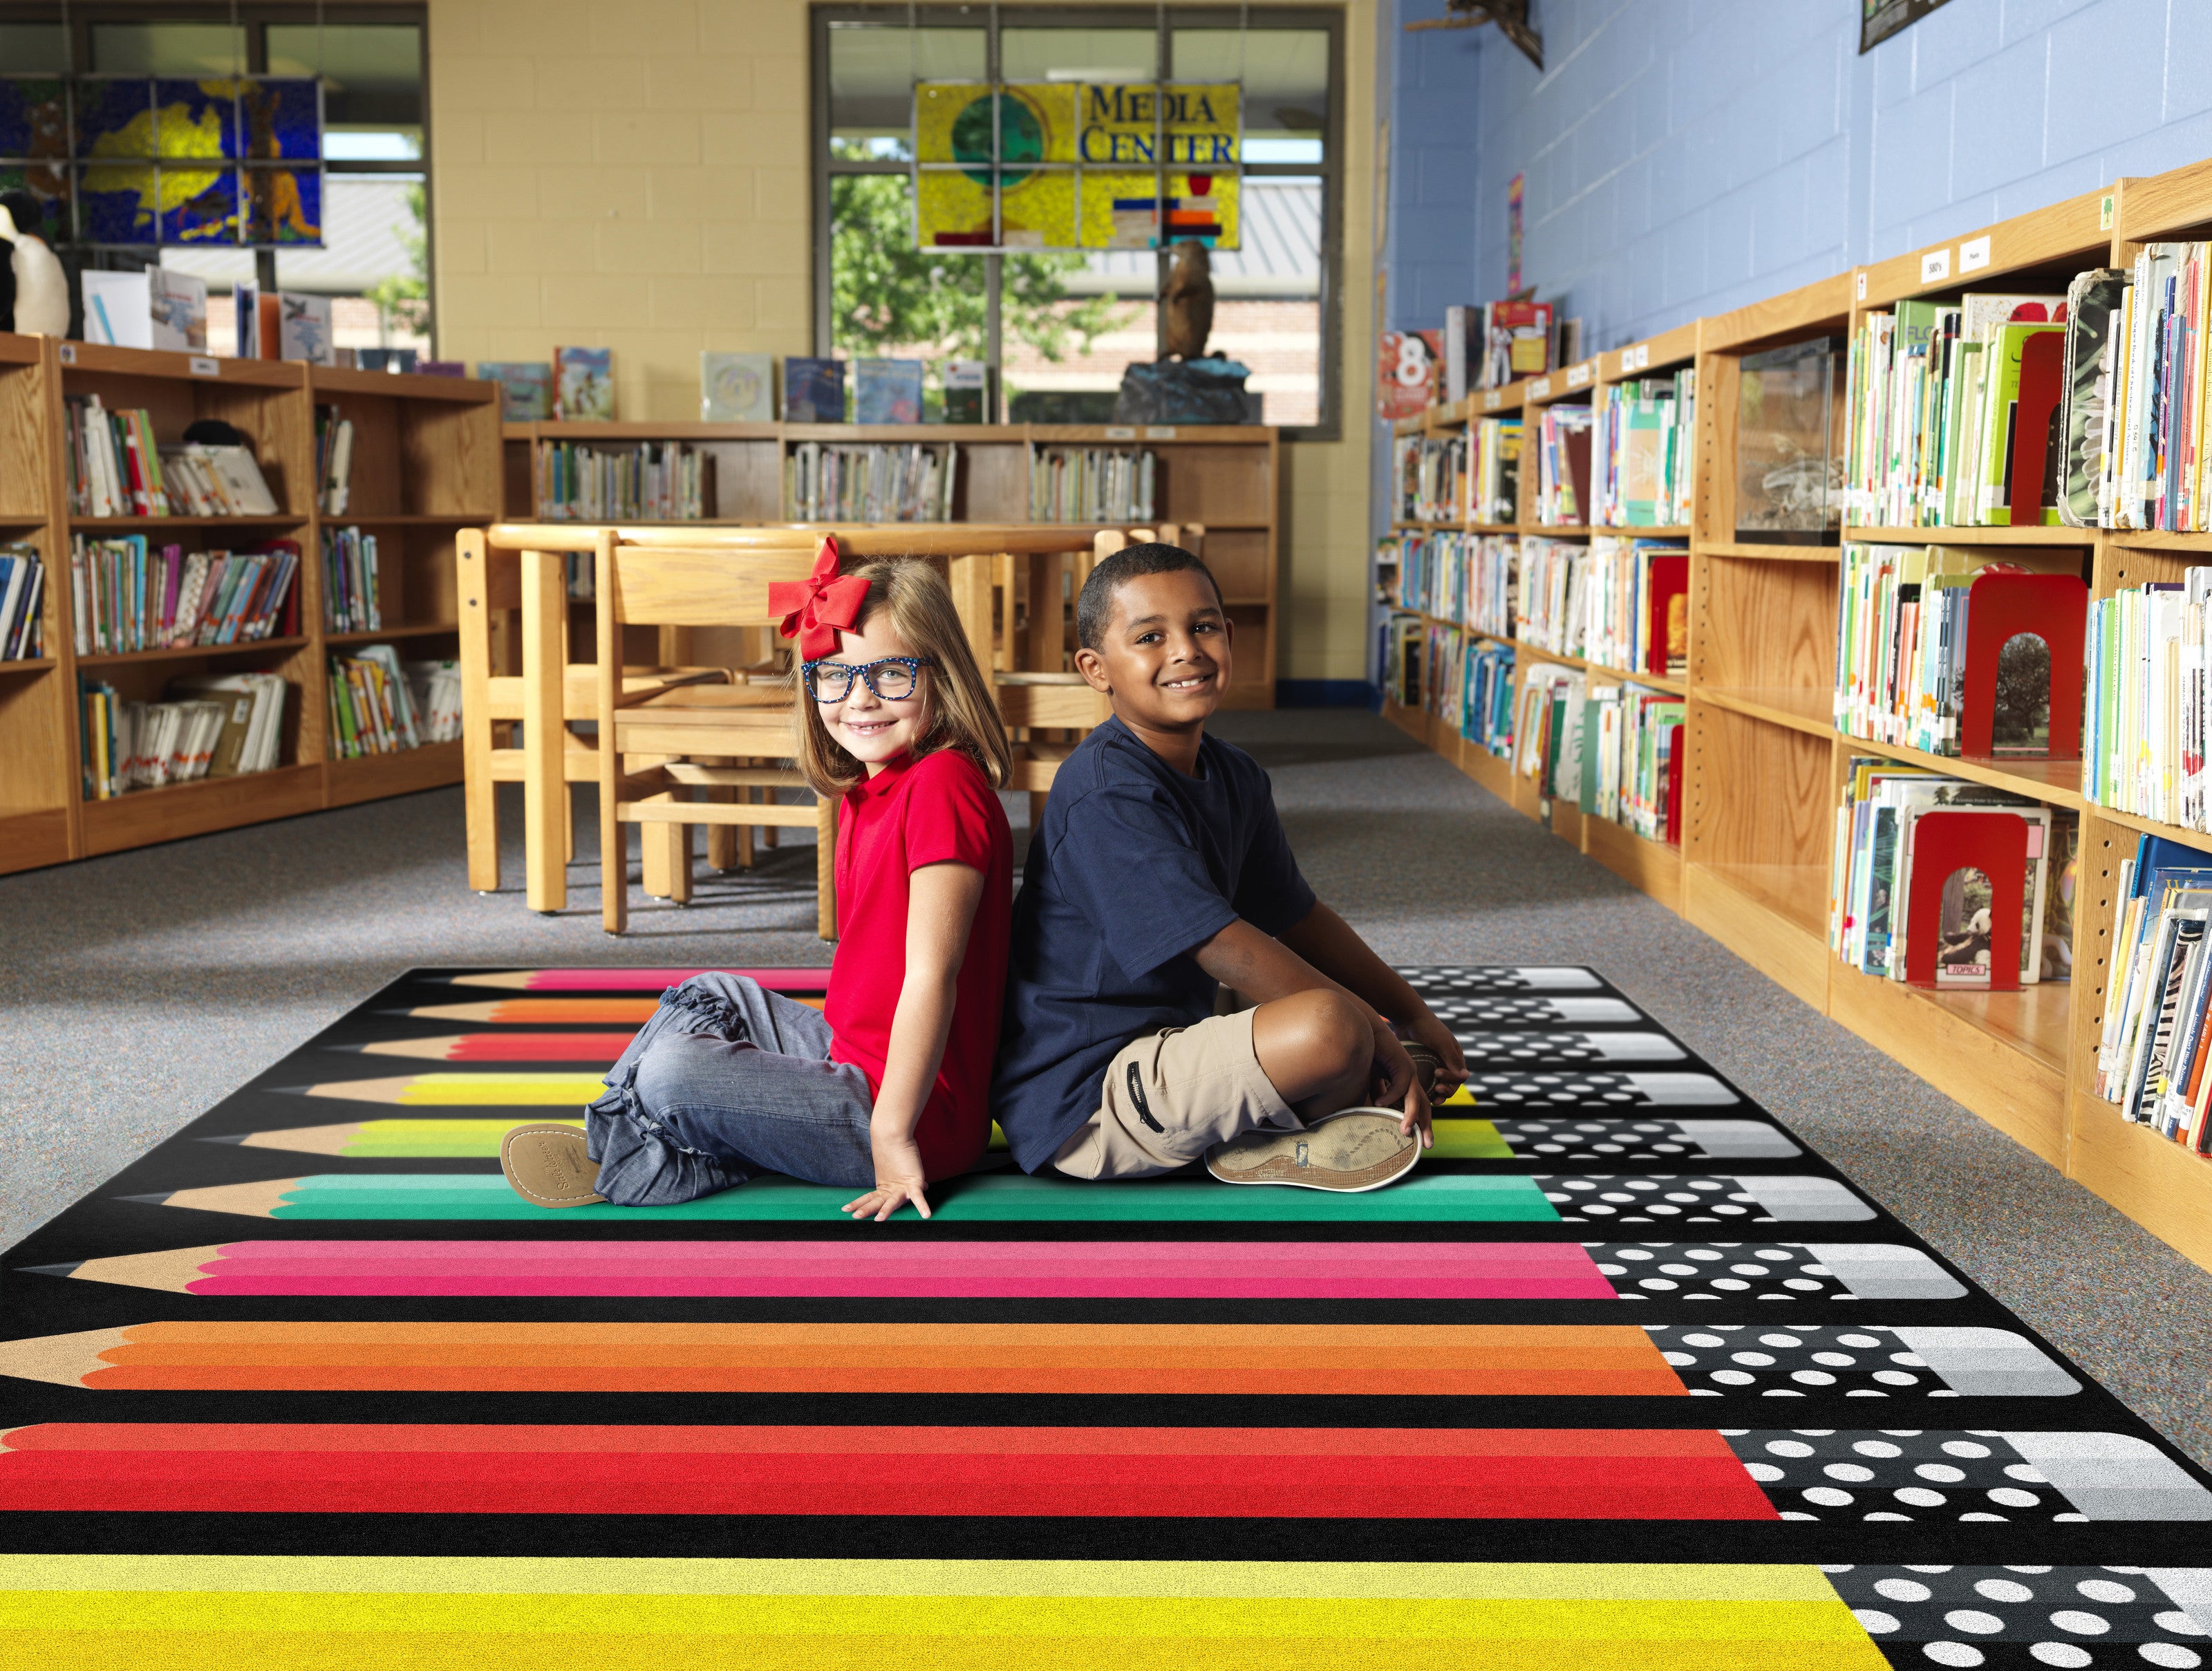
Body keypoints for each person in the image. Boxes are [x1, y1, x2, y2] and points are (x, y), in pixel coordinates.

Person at [498, 543, 1013, 1222]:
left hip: (912, 1114)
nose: (858, 699)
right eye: (832, 676)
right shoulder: (870, 788)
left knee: (671, 1072)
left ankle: (655, 1149)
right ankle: (656, 1133)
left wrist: (891, 1134)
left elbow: (931, 977)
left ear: (940, 676)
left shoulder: (943, 785)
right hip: (851, 1054)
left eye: (890, 673)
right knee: (708, 994)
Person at [991, 542, 1467, 1192]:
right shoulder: (1104, 791)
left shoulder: (1234, 772)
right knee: (1331, 1026)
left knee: (1343, 1026)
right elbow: (1220, 947)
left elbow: (1299, 915)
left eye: (1204, 625)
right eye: (1150, 636)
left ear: (1229, 634)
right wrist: (1371, 1031)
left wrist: (1411, 1014)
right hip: (1088, 1097)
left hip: (1176, 1034)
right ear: (1096, 669)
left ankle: (1314, 1100)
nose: (1185, 649)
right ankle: (1275, 1134)